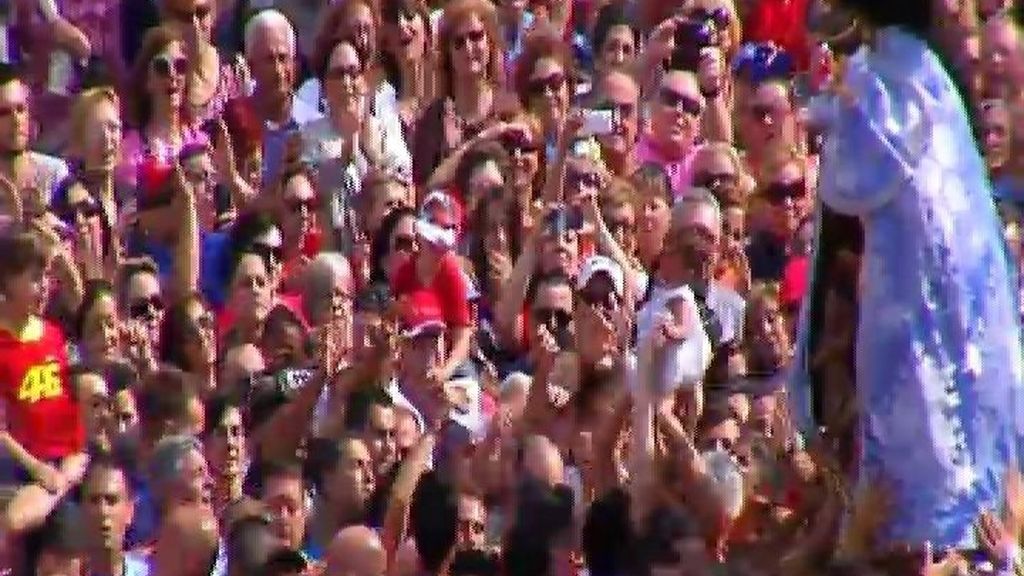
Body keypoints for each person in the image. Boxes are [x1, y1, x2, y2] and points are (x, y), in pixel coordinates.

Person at [793, 0, 1024, 549]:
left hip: (910, 353)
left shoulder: (885, 92)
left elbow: (850, 194)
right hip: (908, 344)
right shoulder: (930, 87)